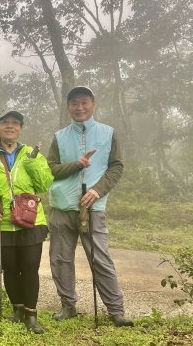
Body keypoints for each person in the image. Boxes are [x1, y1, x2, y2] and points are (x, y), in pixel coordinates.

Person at [47, 86, 133, 327]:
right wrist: (75, 165)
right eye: (74, 103)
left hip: (93, 206)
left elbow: (116, 166)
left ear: (93, 104)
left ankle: (116, 310)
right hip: (62, 206)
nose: (79, 107)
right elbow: (50, 168)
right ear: (68, 107)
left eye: (84, 102)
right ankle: (68, 305)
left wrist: (97, 189)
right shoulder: (59, 136)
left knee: (100, 258)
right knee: (61, 258)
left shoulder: (108, 133)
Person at [0, 109, 53, 333]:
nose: (10, 126)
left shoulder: (30, 154)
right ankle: (17, 310)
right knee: (9, 268)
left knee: (29, 267)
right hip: (1, 222)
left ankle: (31, 315)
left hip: (31, 221)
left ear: (20, 129)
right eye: (5, 122)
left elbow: (45, 183)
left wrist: (34, 161)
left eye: (15, 123)